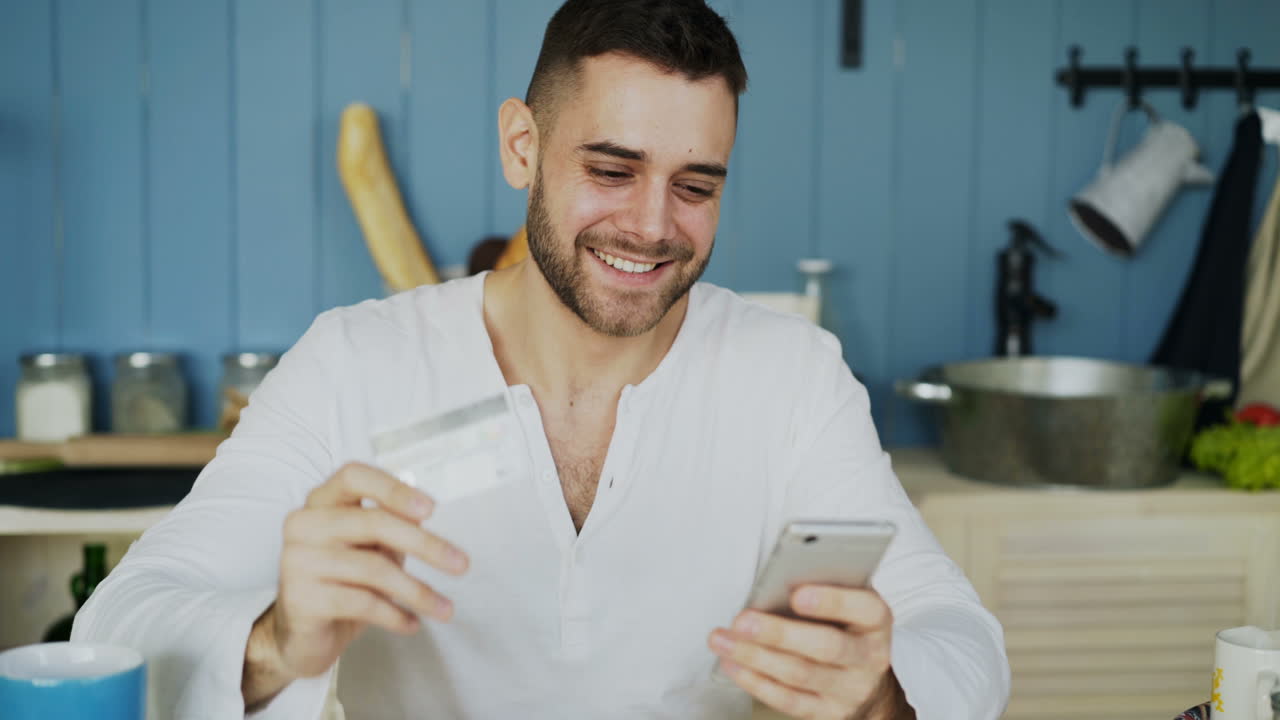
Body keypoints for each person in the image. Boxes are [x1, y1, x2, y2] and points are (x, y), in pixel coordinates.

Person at [73, 0, 1010, 717]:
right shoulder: (353, 362)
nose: (651, 226)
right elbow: (121, 619)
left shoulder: (794, 375)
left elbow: (962, 637)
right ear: (522, 146)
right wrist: (275, 641)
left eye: (695, 186)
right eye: (611, 170)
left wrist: (879, 697)